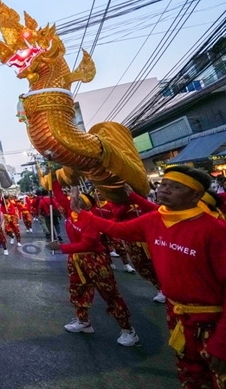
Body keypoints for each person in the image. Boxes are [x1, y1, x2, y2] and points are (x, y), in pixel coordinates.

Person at [72, 166, 226, 388]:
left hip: (213, 322)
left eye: (175, 187)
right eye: (163, 184)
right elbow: (115, 229)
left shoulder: (215, 230)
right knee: (190, 375)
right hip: (177, 316)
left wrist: (222, 342)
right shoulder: (154, 220)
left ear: (196, 195)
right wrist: (81, 212)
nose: (164, 190)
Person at [46, 181, 138, 347]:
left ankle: (128, 330)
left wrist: (61, 247)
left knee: (110, 294)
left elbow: (87, 244)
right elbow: (59, 195)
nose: (73, 200)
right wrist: (56, 177)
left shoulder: (92, 220)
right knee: (77, 291)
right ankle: (83, 322)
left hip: (95, 260)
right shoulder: (70, 212)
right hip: (76, 261)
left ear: (86, 206)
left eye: (78, 200)